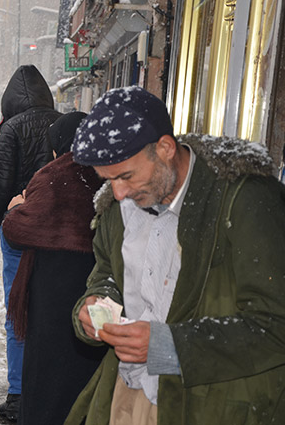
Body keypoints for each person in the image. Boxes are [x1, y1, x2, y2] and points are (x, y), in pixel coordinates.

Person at [66, 86, 285, 425]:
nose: (119, 193)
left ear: (165, 148)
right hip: (127, 392)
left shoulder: (247, 200)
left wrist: (170, 346)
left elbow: (276, 324)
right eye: (107, 180)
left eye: (126, 176)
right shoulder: (116, 208)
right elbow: (107, 274)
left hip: (213, 406)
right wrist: (96, 306)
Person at [2, 112, 107, 424]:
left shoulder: (53, 176)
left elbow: (19, 230)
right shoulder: (106, 172)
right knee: (86, 362)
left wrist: (15, 209)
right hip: (96, 282)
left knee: (47, 371)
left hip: (52, 286)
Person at [0, 64, 61, 423]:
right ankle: (46, 386)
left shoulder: (12, 128)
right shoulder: (61, 124)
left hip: (18, 226)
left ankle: (17, 393)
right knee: (49, 309)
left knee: (17, 311)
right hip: (56, 232)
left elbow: (2, 182)